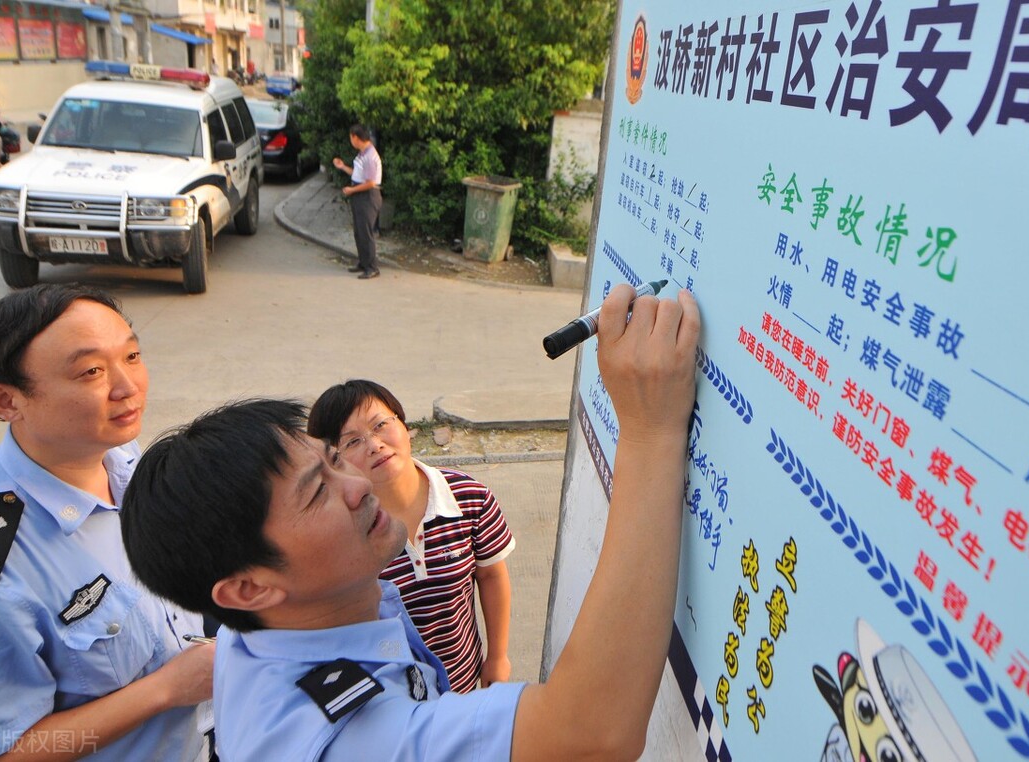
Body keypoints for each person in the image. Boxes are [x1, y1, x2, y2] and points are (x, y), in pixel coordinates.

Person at [121, 285, 699, 760]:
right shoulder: (343, 738)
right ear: (249, 587)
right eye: (318, 492)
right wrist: (650, 433)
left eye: (332, 462)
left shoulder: (269, 630)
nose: (355, 484)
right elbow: (593, 732)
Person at [0, 284, 213, 760]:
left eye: (132, 356)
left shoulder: (124, 458)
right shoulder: (9, 564)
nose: (127, 386)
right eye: (91, 371)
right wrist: (167, 689)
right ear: (8, 402)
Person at [308, 380, 515, 692]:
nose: (374, 444)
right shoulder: (340, 533)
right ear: (333, 462)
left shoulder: (470, 497)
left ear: (403, 424)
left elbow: (491, 577)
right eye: (352, 442)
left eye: (381, 425)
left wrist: (497, 657)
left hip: (463, 684)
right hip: (392, 699)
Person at [332, 125, 383, 280]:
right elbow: (358, 174)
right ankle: (363, 262)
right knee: (359, 231)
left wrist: (352, 190)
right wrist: (343, 167)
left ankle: (372, 267)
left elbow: (370, 183)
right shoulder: (363, 153)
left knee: (366, 232)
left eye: (350, 138)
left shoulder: (369, 156)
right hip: (360, 195)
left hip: (368, 196)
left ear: (355, 137)